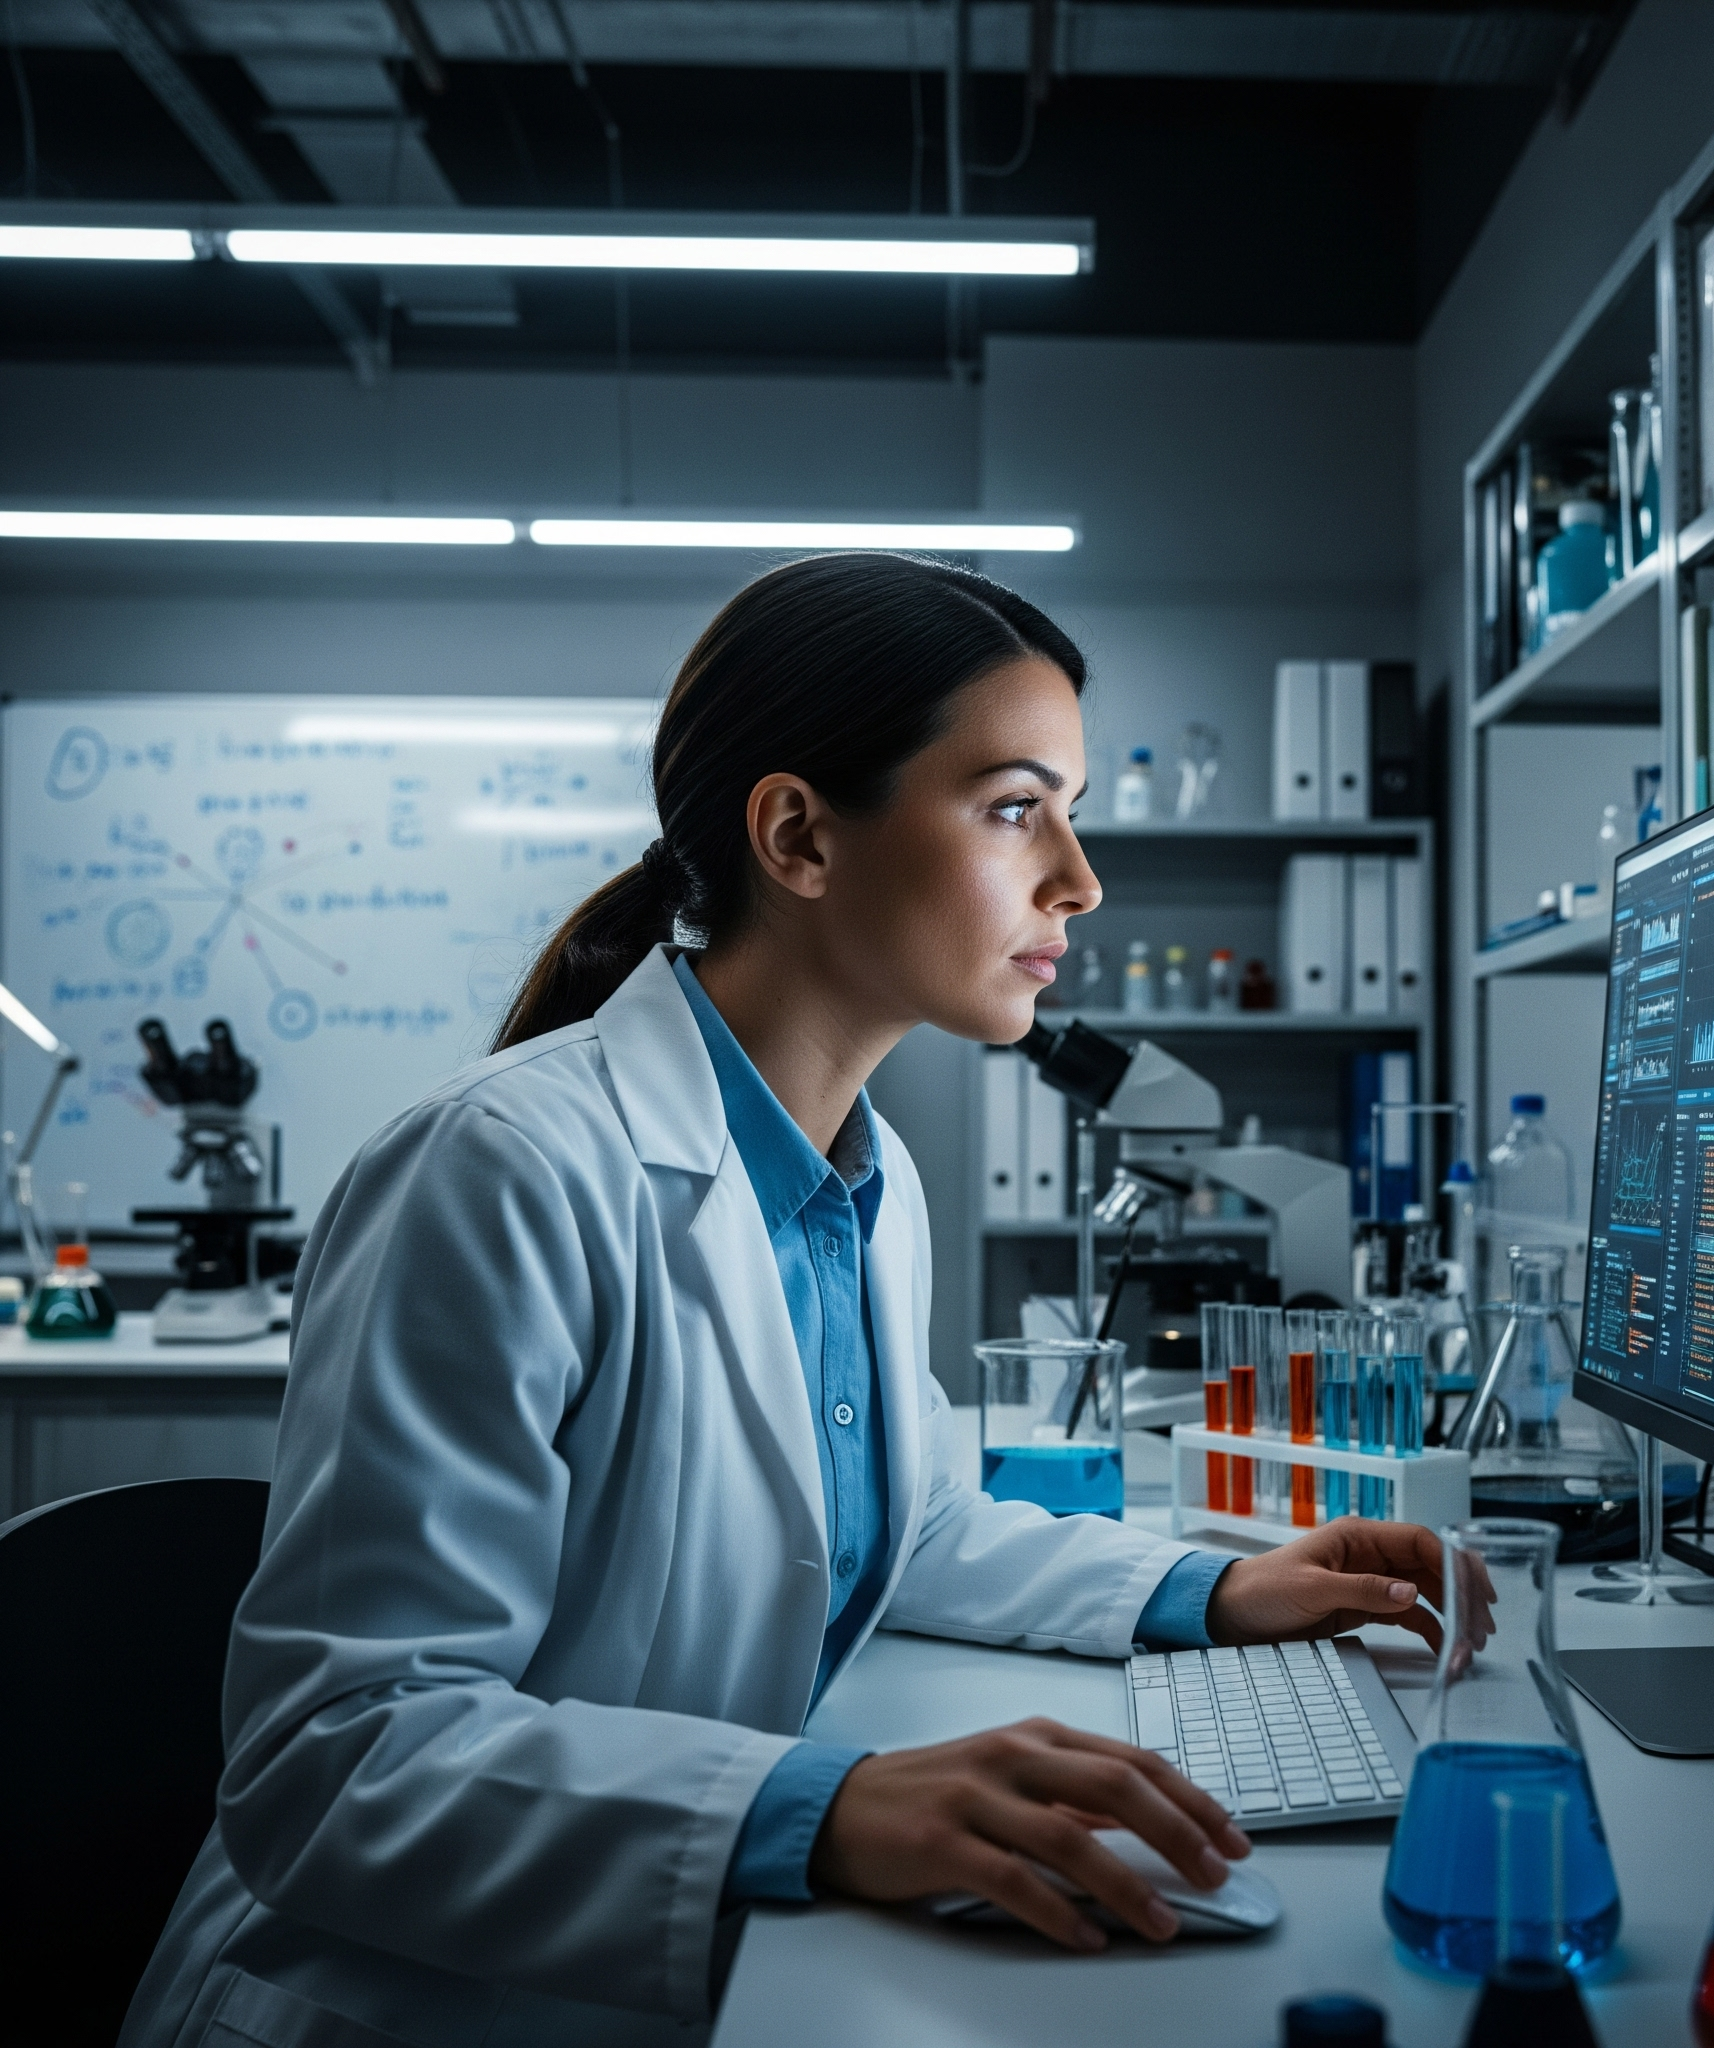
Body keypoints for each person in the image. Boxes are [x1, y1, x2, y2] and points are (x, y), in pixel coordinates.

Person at [123, 555, 1456, 2048]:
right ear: (800, 837)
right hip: (393, 2006)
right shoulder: (501, 1169)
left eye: (1071, 812)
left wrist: (1209, 1592)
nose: (1080, 881)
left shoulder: (866, 1183)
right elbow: (333, 1764)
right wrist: (826, 1810)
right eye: (1016, 808)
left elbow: (908, 1525)